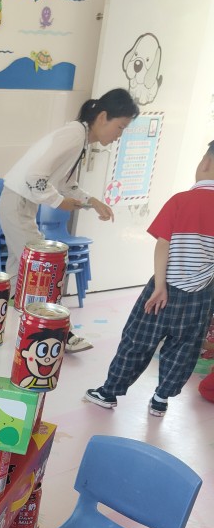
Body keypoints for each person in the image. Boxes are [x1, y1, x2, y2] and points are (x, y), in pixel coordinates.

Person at [0, 88, 139, 353]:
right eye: (120, 127)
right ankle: (61, 332)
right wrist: (58, 202)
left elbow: (65, 183)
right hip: (17, 203)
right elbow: (35, 177)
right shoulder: (74, 135)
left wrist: (91, 201)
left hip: (20, 204)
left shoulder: (80, 137)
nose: (119, 135)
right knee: (44, 267)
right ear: (103, 117)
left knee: (20, 273)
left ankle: (3, 324)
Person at [85, 141, 214, 417]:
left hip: (164, 288)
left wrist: (159, 286)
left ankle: (109, 392)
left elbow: (163, 244)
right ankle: (160, 399)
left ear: (205, 163)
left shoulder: (181, 200)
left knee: (138, 340)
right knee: (184, 348)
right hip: (202, 295)